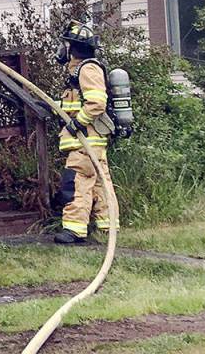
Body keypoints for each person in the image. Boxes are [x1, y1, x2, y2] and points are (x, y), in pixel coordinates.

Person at [53, 20, 117, 245]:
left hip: (85, 140)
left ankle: (74, 230)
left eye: (67, 46)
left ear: (74, 48)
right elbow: (76, 102)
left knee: (77, 180)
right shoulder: (79, 72)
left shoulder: (87, 69)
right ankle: (107, 226)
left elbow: (96, 103)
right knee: (99, 181)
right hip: (92, 140)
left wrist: (76, 124)